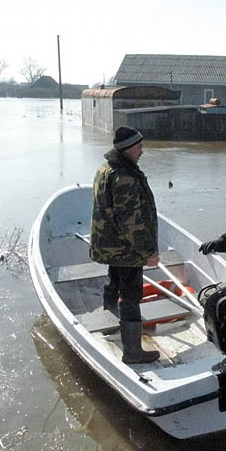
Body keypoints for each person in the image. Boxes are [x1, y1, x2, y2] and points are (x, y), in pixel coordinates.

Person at [90, 126, 160, 364]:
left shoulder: (104, 169)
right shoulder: (125, 178)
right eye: (139, 147)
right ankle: (132, 351)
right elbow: (131, 222)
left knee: (115, 279)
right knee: (131, 294)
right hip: (126, 248)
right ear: (129, 149)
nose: (142, 151)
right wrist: (148, 251)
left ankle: (109, 316)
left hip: (110, 244)